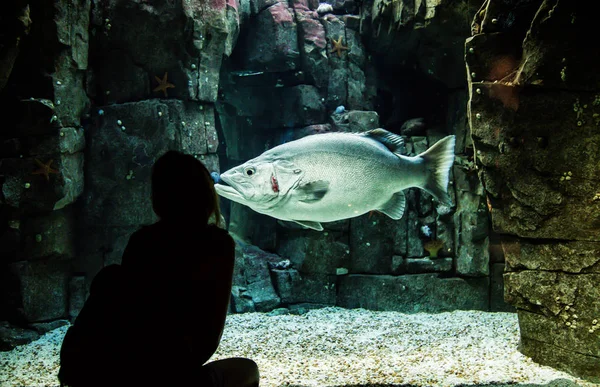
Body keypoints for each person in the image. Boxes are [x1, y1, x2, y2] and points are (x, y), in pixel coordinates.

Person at [58, 150, 260, 387]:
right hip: (171, 372)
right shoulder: (219, 244)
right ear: (205, 194)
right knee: (247, 371)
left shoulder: (142, 241)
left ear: (158, 198)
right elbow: (206, 342)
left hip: (122, 370)